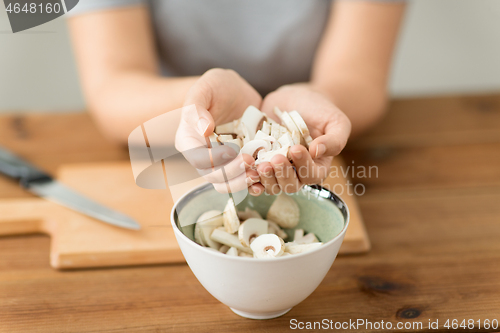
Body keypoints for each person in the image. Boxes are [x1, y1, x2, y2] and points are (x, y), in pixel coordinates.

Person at [68, 0, 406, 196]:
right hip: (173, 155)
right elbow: (113, 89)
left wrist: (320, 100)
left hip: (319, 150)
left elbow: (361, 81)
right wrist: (196, 106)